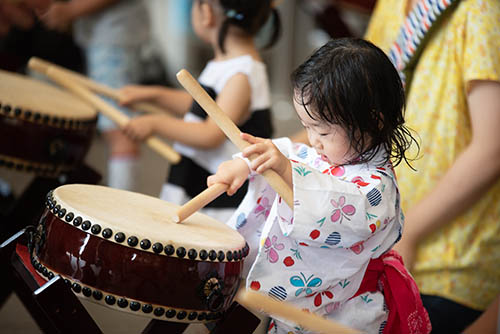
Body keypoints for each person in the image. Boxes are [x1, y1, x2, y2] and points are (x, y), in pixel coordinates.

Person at [208, 38, 431, 334]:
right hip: (304, 310)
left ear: (373, 122)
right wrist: (244, 164)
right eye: (308, 126)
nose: (312, 140)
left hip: (344, 315)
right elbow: (288, 152)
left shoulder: (377, 190)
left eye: (322, 130)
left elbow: (336, 203)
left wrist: (286, 170)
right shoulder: (334, 153)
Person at [364, 0, 500, 332]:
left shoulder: (483, 8)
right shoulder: (393, 5)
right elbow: (359, 110)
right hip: (387, 249)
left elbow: (493, 146)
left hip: (449, 272)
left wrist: (408, 232)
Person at [119, 0, 281, 222]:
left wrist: (155, 124)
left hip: (219, 198)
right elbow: (205, 106)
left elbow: (210, 134)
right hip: (204, 179)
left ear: (206, 13)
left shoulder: (241, 75)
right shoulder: (228, 62)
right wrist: (154, 95)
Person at [39, 0, 151, 191]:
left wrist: (70, 10)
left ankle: (120, 210)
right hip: (106, 35)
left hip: (112, 36)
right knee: (117, 126)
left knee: (119, 129)